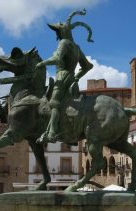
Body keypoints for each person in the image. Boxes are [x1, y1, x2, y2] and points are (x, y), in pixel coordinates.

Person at [36, 9, 94, 144]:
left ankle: (52, 132)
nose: (57, 34)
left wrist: (41, 64)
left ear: (62, 31)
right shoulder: (77, 47)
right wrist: (76, 77)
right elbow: (88, 66)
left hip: (61, 77)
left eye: (57, 32)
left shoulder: (64, 43)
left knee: (54, 104)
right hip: (71, 78)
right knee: (66, 104)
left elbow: (57, 58)